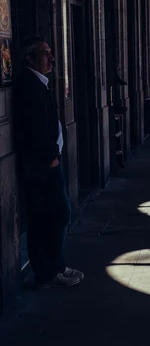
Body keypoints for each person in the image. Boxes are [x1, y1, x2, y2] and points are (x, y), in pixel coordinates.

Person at [13, 36, 84, 288]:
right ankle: (49, 270)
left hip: (48, 162)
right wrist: (51, 156)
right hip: (43, 166)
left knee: (49, 217)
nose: (51, 58)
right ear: (30, 59)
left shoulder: (38, 83)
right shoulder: (29, 86)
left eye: (51, 53)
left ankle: (55, 266)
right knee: (56, 215)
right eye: (45, 53)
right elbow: (35, 130)